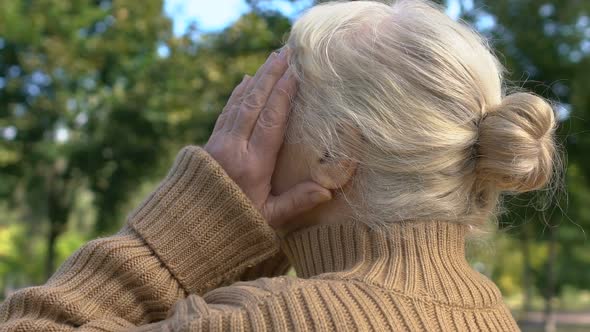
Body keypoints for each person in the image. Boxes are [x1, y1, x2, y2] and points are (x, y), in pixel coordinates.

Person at [0, 1, 558, 331]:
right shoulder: (485, 313)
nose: (246, 138)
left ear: (336, 154)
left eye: (274, 115)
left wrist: (190, 231)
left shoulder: (268, 318)